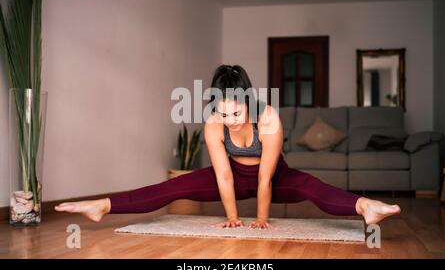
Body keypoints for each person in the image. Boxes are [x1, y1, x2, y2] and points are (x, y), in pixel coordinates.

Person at [55, 65, 401, 229]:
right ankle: (103, 205)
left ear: (249, 102)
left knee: (312, 186)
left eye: (236, 111)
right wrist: (234, 217)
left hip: (273, 176)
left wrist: (261, 218)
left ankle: (365, 206)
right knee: (172, 186)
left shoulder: (268, 120)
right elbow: (222, 175)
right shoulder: (212, 124)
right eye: (222, 112)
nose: (230, 119)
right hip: (232, 176)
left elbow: (265, 180)